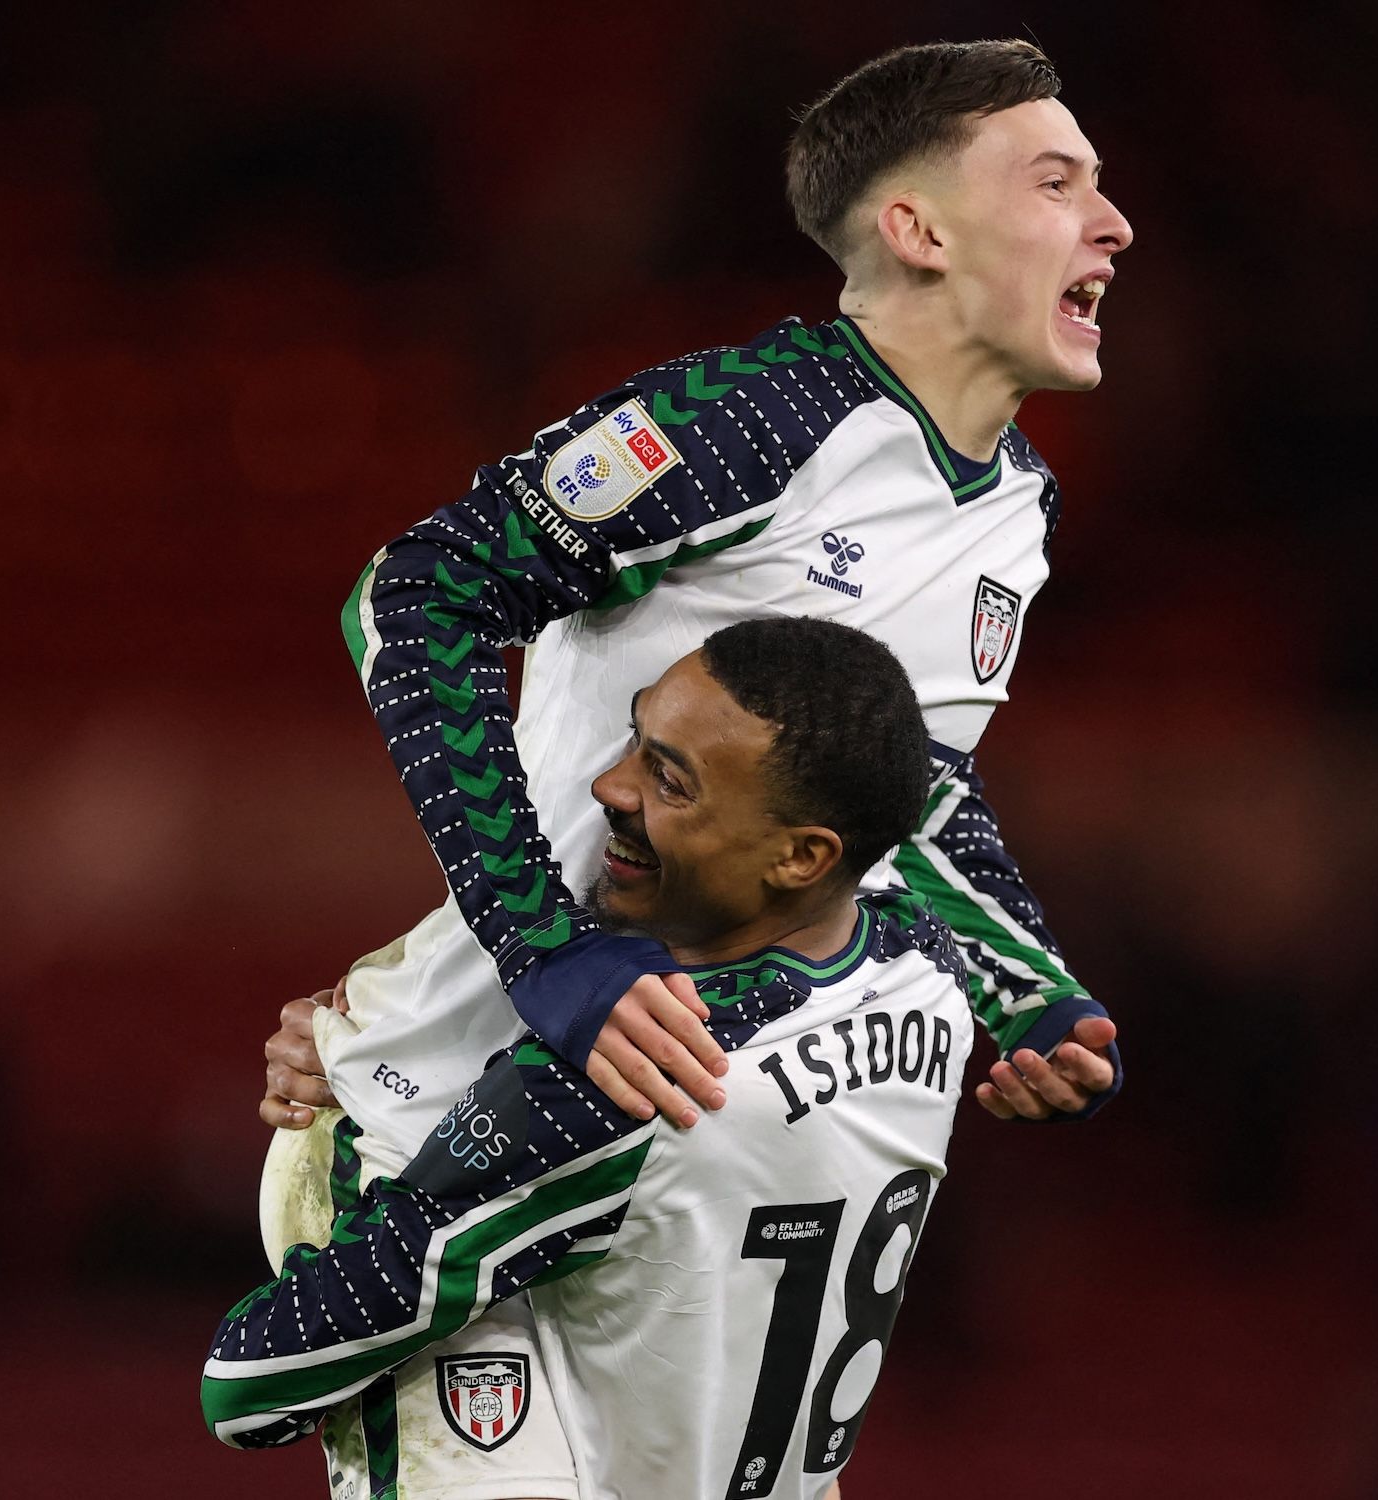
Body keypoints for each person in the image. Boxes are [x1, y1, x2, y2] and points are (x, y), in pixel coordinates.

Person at [247, 36, 1130, 1493]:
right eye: (1057, 182)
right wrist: (546, 955)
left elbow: (906, 798)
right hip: (439, 1132)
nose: (1114, 222)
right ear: (917, 231)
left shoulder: (1016, 516)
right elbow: (416, 596)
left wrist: (1024, 982)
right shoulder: (761, 424)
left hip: (665, 1178)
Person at [210, 618, 983, 1500]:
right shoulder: (927, 966)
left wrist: (374, 1080)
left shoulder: (633, 1085)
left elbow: (248, 1388)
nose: (608, 786)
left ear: (802, 856)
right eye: (634, 735)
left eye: (669, 779)